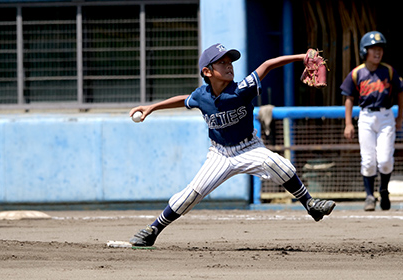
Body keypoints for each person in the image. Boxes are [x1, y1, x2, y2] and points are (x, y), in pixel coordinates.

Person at [128, 43, 336, 247]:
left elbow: (268, 65)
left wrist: (301, 57)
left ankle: (310, 204)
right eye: (222, 63)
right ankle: (153, 230)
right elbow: (185, 99)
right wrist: (152, 107)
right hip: (219, 154)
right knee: (192, 193)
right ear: (207, 71)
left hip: (249, 148)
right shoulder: (202, 95)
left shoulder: (241, 89)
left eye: (230, 62)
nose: (229, 66)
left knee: (276, 162)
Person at [341, 31, 403, 211]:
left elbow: (400, 92)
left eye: (380, 49)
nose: (377, 53)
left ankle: (383, 190)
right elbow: (349, 98)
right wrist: (348, 123)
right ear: (364, 51)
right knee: (368, 160)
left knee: (385, 159)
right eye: (373, 49)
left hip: (386, 116)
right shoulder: (357, 73)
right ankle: (369, 196)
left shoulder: (389, 71)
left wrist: (399, 116)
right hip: (366, 116)